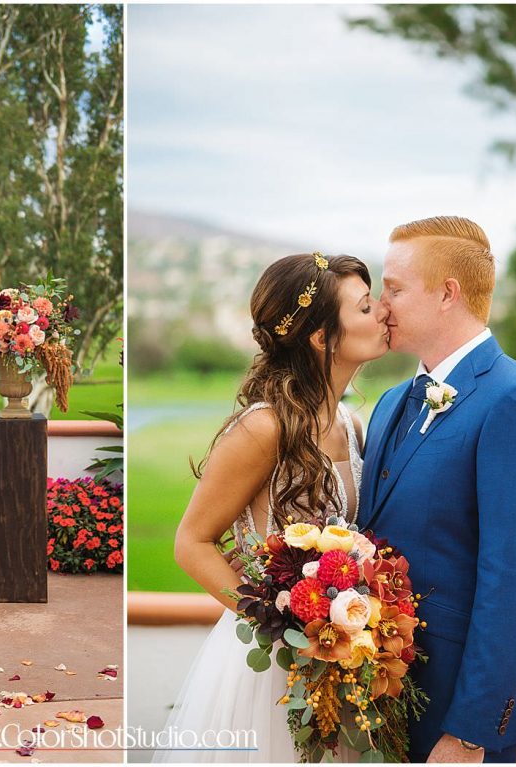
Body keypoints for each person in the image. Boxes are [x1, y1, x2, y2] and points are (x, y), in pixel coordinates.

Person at [153, 252, 390, 762]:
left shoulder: (352, 424)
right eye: (366, 308)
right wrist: (276, 623)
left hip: (344, 657)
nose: (383, 315)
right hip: (275, 664)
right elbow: (191, 543)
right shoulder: (263, 428)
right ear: (321, 337)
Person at [359, 216, 516, 763]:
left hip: (454, 713)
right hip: (374, 697)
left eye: (395, 289)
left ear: (448, 293)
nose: (382, 307)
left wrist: (470, 731)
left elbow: (514, 580)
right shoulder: (387, 405)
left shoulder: (515, 401)